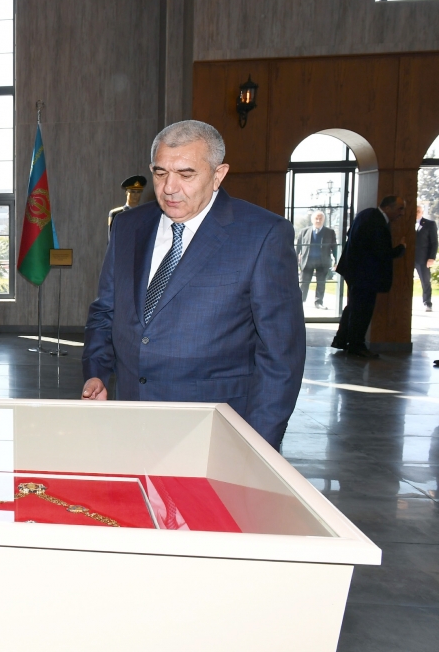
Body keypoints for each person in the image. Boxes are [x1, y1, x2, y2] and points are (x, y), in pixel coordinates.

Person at [81, 120, 305, 450]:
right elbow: (105, 311)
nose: (169, 188)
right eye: (160, 173)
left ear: (218, 175)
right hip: (131, 419)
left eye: (186, 175)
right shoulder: (128, 226)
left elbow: (281, 357)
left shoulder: (263, 235)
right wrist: (96, 372)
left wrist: (256, 449)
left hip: (215, 430)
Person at [332, 196, 407, 357]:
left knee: (353, 307)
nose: (402, 213)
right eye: (400, 209)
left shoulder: (365, 214)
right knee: (362, 310)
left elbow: (350, 233)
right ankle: (356, 346)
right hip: (365, 274)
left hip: (353, 270)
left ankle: (341, 339)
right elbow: (381, 252)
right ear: (387, 207)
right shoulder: (377, 222)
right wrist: (401, 248)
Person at [296, 211, 338, 309]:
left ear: (324, 220)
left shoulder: (330, 232)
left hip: (323, 262)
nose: (318, 220)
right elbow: (298, 247)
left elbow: (334, 248)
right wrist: (295, 260)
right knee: (304, 282)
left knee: (321, 283)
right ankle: (300, 301)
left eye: (320, 218)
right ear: (312, 220)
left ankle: (318, 302)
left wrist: (337, 261)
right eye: (316, 218)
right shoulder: (304, 232)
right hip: (307, 261)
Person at [415, 204, 437, 312]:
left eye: (418, 211)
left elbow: (434, 242)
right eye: (415, 211)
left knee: (425, 281)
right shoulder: (406, 223)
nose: (416, 213)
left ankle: (427, 303)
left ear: (422, 212)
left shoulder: (430, 224)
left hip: (423, 258)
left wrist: (431, 257)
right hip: (407, 258)